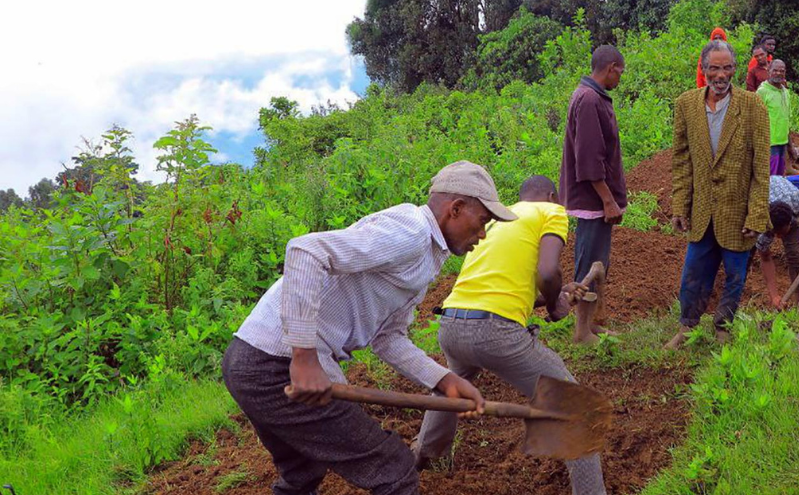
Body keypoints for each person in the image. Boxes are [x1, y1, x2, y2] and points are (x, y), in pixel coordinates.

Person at [222, 161, 508, 495]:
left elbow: (386, 338)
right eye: (483, 221)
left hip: (250, 361)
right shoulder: (412, 231)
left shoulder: (426, 255)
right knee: (394, 471)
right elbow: (305, 250)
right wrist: (303, 357)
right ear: (455, 209)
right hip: (274, 365)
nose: (483, 234)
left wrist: (444, 380)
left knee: (303, 472)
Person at [413, 176, 604, 494]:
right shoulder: (551, 212)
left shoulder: (496, 219)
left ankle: (422, 459)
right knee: (575, 408)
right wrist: (557, 309)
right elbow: (547, 273)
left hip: (452, 326)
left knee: (451, 389)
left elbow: (513, 289)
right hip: (494, 332)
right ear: (552, 196)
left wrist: (556, 297)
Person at [665, 38, 770, 348]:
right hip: (701, 211)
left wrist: (757, 212)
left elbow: (761, 167)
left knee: (735, 275)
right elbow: (682, 161)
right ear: (704, 69)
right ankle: (687, 326)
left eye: (726, 68)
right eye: (714, 69)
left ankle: (723, 326)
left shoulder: (753, 107)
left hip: (737, 212)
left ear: (735, 70)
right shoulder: (686, 105)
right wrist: (680, 207)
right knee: (693, 271)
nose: (720, 75)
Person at [560, 45, 626, 345]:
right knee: (588, 263)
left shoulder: (591, 97)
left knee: (598, 262)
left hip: (597, 199)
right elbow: (589, 158)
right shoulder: (588, 100)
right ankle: (581, 332)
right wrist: (608, 199)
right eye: (620, 73)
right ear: (611, 67)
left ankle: (590, 325)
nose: (620, 79)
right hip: (593, 200)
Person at [756, 175, 799, 310]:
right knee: (753, 251)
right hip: (763, 199)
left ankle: (798, 303)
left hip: (785, 195)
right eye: (775, 234)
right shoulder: (762, 224)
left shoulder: (798, 202)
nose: (778, 237)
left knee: (794, 255)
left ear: (791, 222)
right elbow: (765, 259)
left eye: (782, 233)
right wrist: (774, 296)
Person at [757, 59, 792, 176]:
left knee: (780, 177)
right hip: (769, 143)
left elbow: (786, 118)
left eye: (781, 71)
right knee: (770, 178)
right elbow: (755, 119)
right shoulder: (762, 92)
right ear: (769, 71)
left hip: (782, 142)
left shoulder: (785, 92)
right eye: (775, 70)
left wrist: (789, 144)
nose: (778, 73)